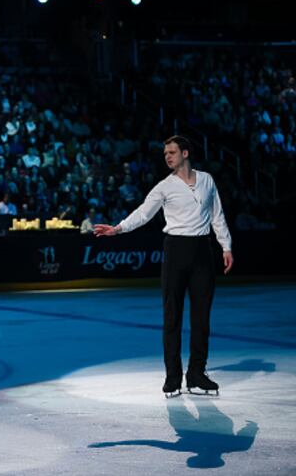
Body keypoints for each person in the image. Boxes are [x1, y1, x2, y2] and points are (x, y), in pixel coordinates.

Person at [94, 136, 233, 397]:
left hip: (203, 250)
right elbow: (144, 213)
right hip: (176, 251)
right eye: (165, 153)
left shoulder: (206, 181)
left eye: (171, 152)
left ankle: (197, 373)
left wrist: (226, 246)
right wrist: (118, 228)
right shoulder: (164, 187)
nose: (167, 156)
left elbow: (217, 215)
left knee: (202, 317)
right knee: (172, 316)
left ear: (185, 153)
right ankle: (173, 377)